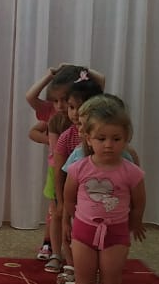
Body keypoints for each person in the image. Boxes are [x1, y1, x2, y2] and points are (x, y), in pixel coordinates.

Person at [63, 96, 146, 284]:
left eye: (116, 139)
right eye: (101, 139)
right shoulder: (78, 168)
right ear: (88, 138)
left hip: (115, 235)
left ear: (126, 139)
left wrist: (135, 223)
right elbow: (68, 199)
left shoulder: (131, 171)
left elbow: (139, 201)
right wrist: (68, 223)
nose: (109, 145)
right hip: (84, 233)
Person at [26, 64, 103, 268]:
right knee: (57, 212)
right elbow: (30, 99)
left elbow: (101, 82)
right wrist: (50, 74)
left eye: (66, 101)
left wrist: (82, 70)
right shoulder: (55, 119)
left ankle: (80, 255)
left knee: (80, 214)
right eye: (56, 101)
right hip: (60, 170)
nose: (61, 106)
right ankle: (55, 251)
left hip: (85, 174)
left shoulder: (91, 118)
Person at [50, 74, 105, 284]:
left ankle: (97, 270)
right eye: (71, 107)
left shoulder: (104, 136)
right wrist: (61, 202)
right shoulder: (67, 137)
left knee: (97, 235)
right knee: (71, 231)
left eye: (80, 108)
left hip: (100, 196)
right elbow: (59, 172)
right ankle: (72, 266)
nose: (74, 113)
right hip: (74, 194)